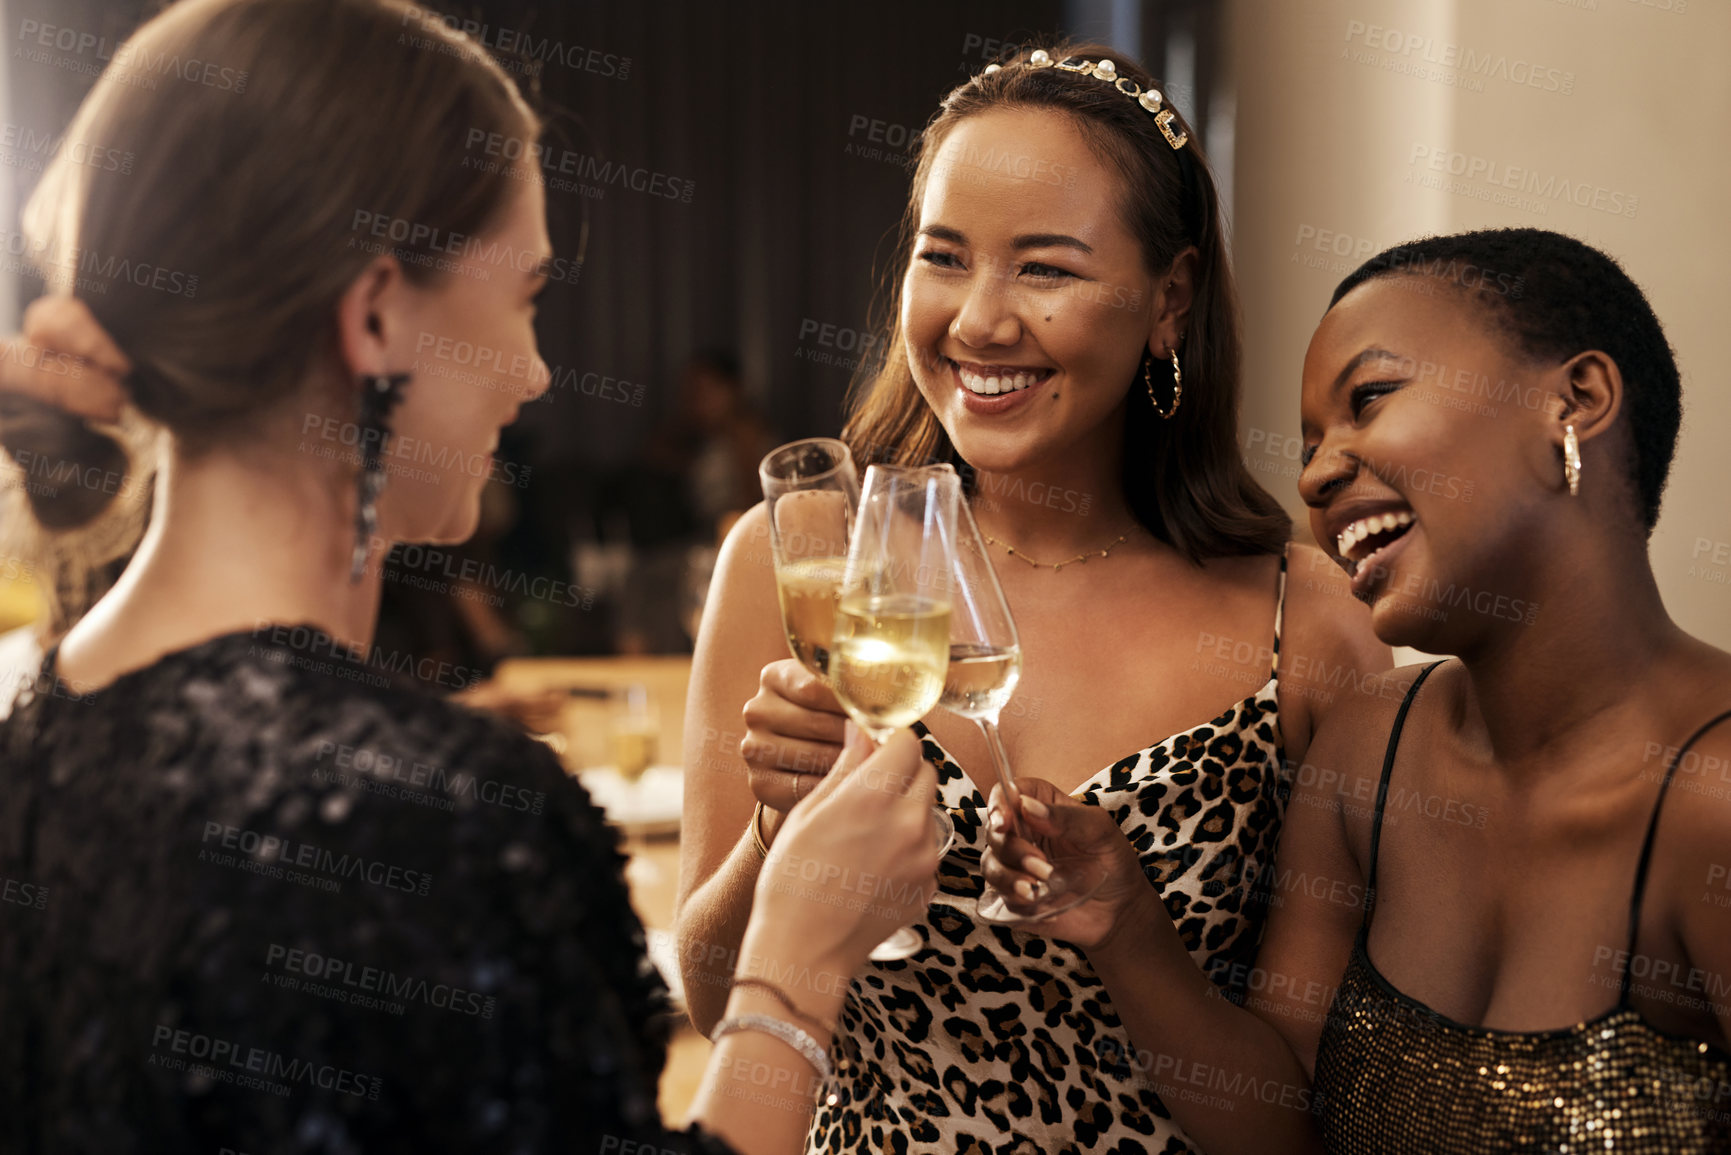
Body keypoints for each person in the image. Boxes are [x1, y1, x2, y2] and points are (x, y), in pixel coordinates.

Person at [0, 2, 942, 1152]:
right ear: (381, 315)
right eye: (527, 297)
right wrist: (797, 965)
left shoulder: (33, 749)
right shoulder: (439, 829)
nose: (539, 372)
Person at [676, 43, 1387, 1153]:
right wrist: (781, 826)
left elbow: (1291, 1129)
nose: (979, 322)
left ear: (1171, 298)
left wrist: (1134, 940)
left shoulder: (1312, 625)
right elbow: (720, 1007)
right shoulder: (797, 569)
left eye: (1045, 269)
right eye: (944, 258)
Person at [984, 227, 1731, 1152]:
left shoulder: (1712, 796)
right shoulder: (1368, 752)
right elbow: (1281, 1131)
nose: (1314, 472)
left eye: (1368, 399)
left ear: (1573, 400)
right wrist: (1129, 924)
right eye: (1308, 442)